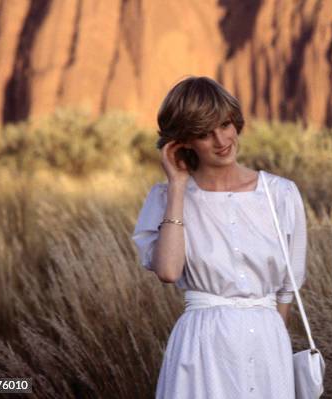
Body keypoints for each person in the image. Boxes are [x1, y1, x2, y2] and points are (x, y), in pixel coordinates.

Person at [132, 76, 307, 399]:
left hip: (268, 343)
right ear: (182, 141)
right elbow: (168, 272)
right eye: (203, 133)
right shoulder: (166, 197)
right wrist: (178, 186)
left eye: (225, 124)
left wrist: (274, 346)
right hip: (202, 345)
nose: (221, 140)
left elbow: (287, 289)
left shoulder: (280, 194)